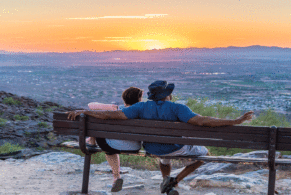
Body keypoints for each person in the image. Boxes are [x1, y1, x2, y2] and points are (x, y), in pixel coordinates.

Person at [67, 80, 254, 194]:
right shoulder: (178, 108)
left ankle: (167, 180)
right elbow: (204, 121)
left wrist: (84, 112)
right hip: (176, 147)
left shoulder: (140, 107)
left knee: (163, 158)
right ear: (167, 95)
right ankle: (175, 181)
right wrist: (235, 121)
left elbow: (110, 115)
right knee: (203, 154)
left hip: (152, 148)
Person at [86, 87, 144, 192]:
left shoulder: (118, 109)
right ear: (139, 99)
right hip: (135, 147)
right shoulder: (142, 112)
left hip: (112, 146)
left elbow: (90, 105)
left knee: (97, 119)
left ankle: (116, 176)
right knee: (111, 143)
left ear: (124, 99)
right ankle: (91, 140)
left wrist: (111, 106)